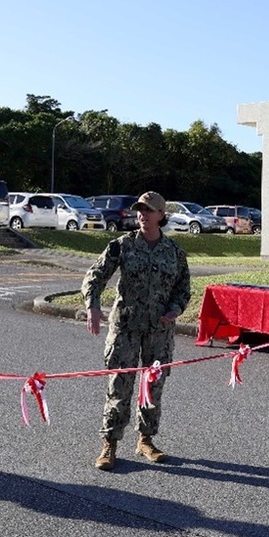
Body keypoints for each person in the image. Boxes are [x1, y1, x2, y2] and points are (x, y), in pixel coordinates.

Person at [82, 191, 191, 471]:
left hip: (159, 330)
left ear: (161, 216)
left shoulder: (175, 252)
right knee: (119, 385)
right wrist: (93, 306)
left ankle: (145, 440)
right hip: (126, 327)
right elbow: (94, 277)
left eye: (149, 210)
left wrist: (175, 309)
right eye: (140, 209)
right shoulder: (122, 245)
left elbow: (183, 289)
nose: (142, 214)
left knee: (152, 386)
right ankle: (109, 443)